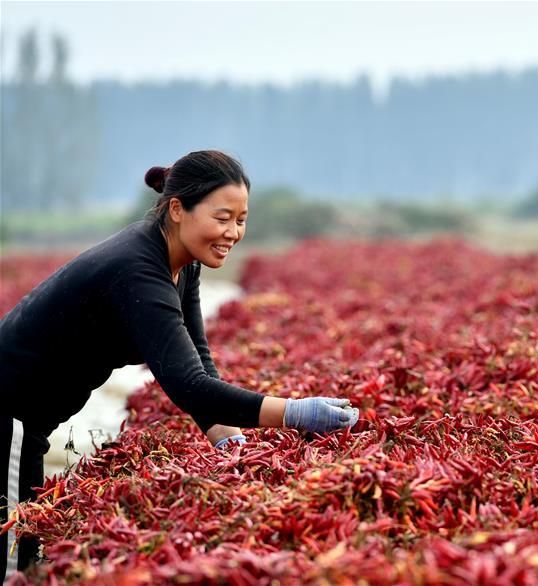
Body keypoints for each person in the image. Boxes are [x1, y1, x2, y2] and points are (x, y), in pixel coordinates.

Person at [0, 150, 358, 578]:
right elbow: (186, 385)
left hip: (27, 425)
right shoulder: (138, 268)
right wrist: (294, 412)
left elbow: (197, 361)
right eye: (222, 217)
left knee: (24, 548)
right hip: (9, 419)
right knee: (13, 563)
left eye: (241, 220)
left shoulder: (179, 262)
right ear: (177, 209)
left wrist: (231, 443)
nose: (234, 232)